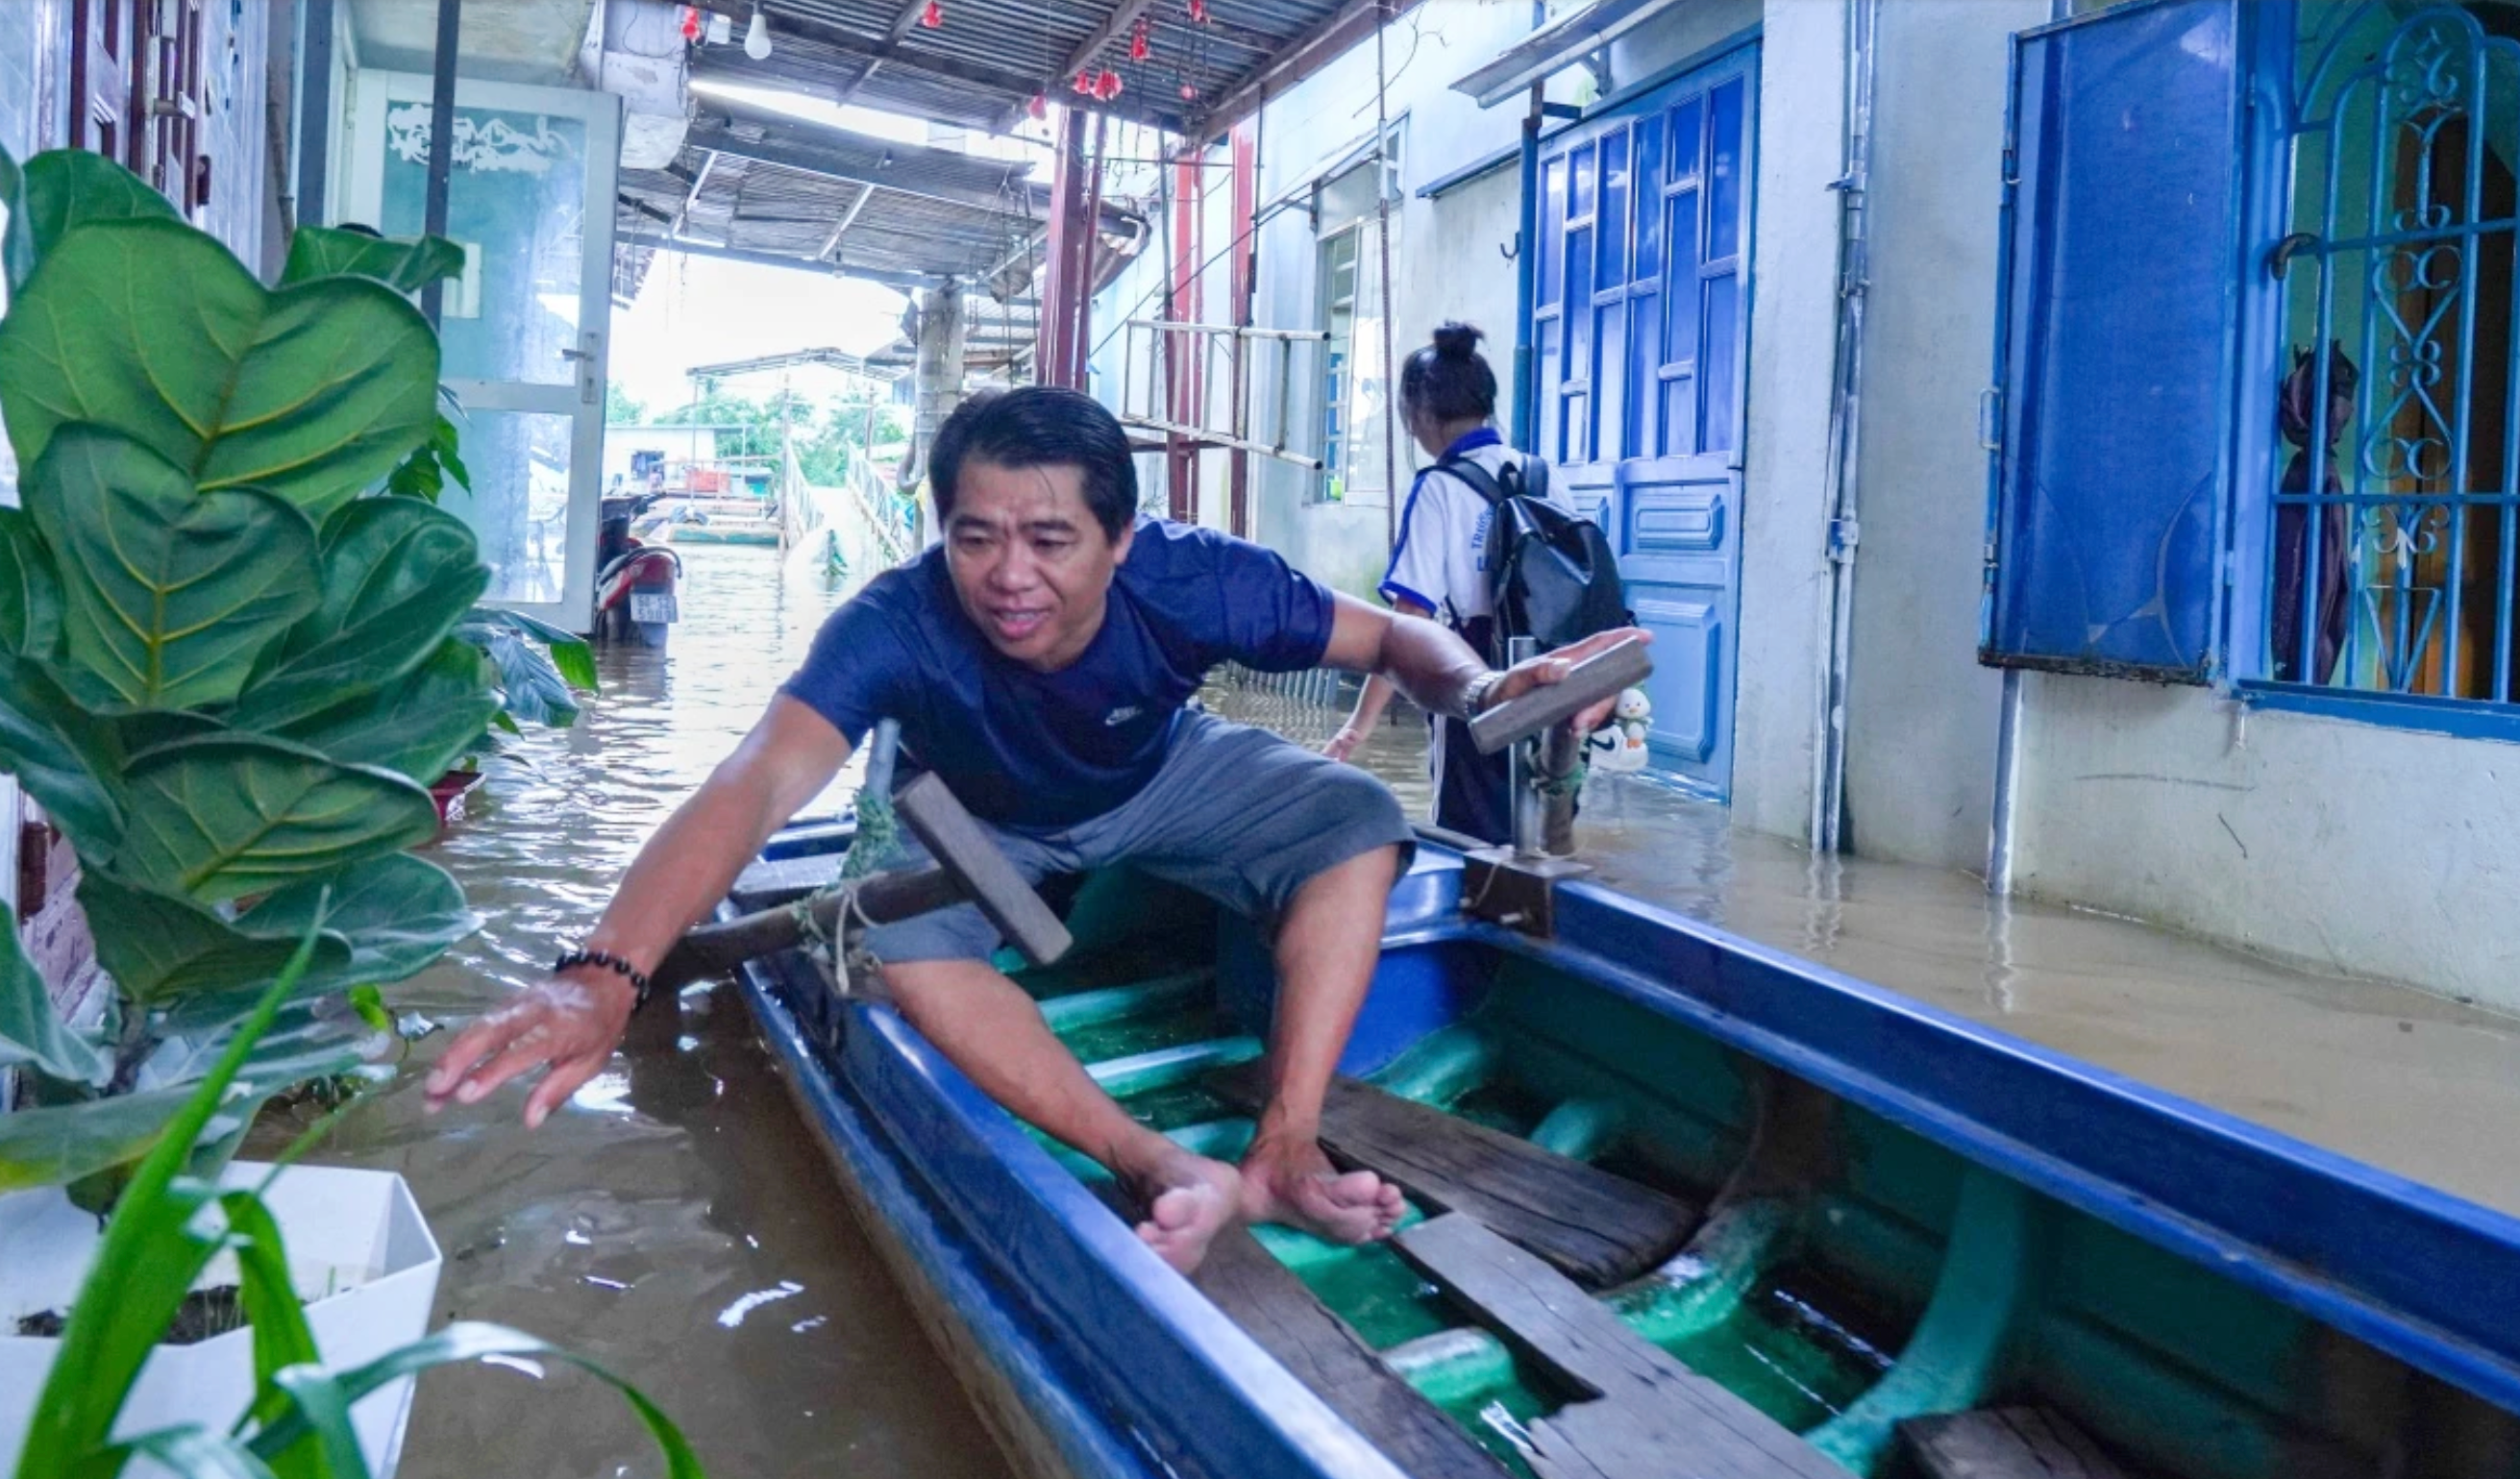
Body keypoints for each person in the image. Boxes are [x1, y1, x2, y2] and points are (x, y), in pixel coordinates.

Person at [422, 386, 1641, 1275]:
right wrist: (603, 972)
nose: (1010, 574)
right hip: (967, 814)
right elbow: (750, 785)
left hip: (1158, 774)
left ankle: (1283, 1147)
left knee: (1360, 816)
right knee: (898, 953)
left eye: (1051, 539)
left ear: (1118, 538)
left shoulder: (1193, 577)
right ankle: (1146, 1158)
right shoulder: (892, 623)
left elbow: (1385, 638)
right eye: (975, 535)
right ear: (941, 528)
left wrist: (1478, 689)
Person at [1325, 323, 1573, 844]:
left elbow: (1408, 622)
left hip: (1474, 678)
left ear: (1418, 414)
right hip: (1556, 677)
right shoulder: (1544, 474)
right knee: (1544, 831)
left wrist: (1359, 725)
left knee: (1471, 842)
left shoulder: (1438, 487)